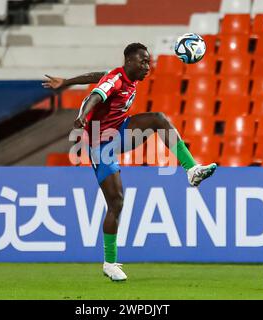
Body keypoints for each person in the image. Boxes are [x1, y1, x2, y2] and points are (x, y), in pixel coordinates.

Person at [42, 43, 217, 281]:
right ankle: (110, 263)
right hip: (99, 143)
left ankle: (192, 169)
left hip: (120, 131)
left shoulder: (122, 77)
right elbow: (96, 94)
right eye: (143, 62)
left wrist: (67, 81)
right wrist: (82, 117)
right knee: (116, 203)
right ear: (129, 62)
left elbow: (97, 77)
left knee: (158, 119)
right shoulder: (116, 80)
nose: (148, 67)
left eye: (149, 62)